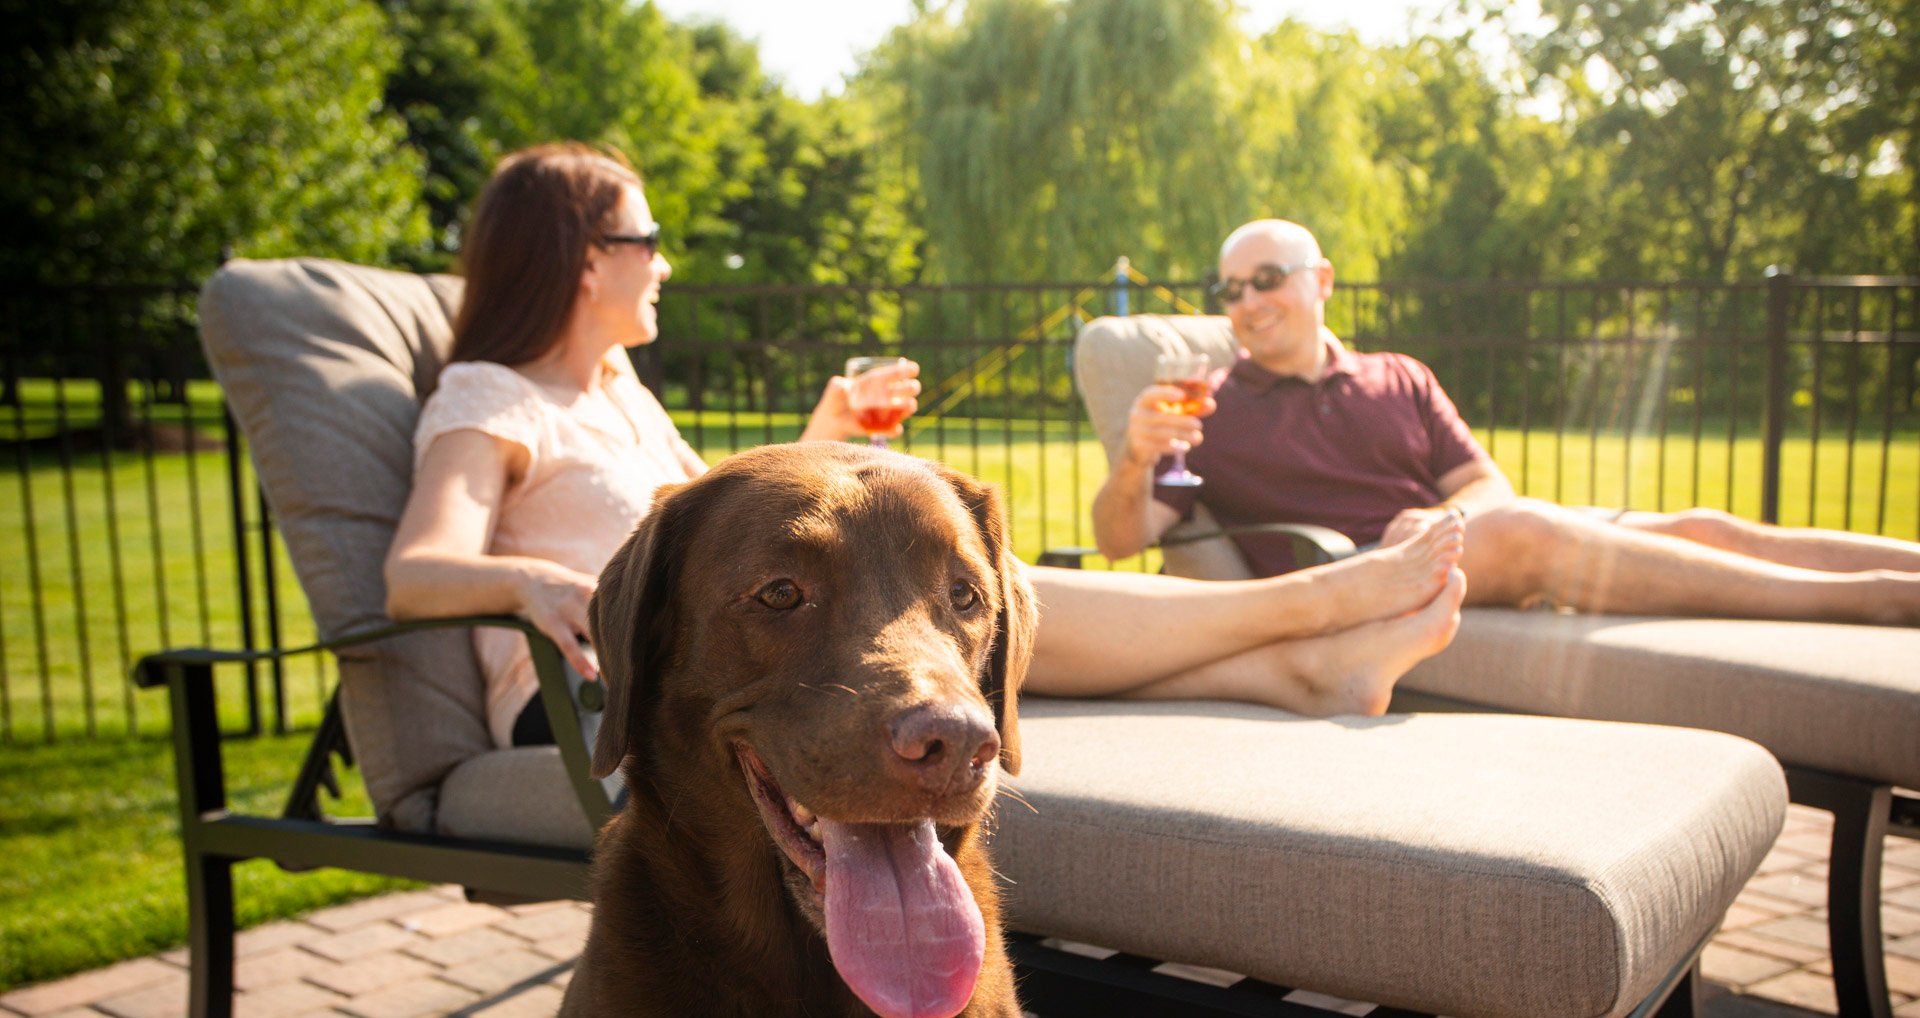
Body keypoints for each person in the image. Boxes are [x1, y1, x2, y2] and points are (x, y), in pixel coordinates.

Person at [385, 146, 1468, 751]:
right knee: (990, 597)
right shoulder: (494, 395)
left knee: (963, 620)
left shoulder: (617, 390)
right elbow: (416, 570)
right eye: (648, 239)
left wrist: (821, 440)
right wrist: (532, 580)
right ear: (583, 259)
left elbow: (707, 526)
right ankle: (1319, 605)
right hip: (594, 694)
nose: (665, 262)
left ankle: (1301, 669)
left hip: (743, 646)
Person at [1091, 218, 1920, 627]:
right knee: (1529, 530)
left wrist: (1451, 517)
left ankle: (1903, 577)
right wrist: (1133, 460)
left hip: (1449, 538)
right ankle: (1861, 605)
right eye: (1228, 288)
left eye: (1266, 278)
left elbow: (1485, 485)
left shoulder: (1399, 375)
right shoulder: (1207, 406)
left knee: (1698, 522)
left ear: (1322, 281)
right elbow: (1127, 540)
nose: (1246, 302)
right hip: (1361, 574)